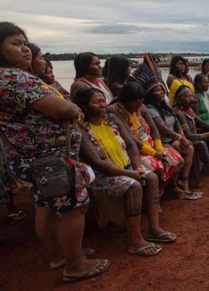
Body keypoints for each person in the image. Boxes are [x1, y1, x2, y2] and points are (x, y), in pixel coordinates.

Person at [0, 21, 109, 282]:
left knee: (45, 207)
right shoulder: (14, 78)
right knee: (74, 208)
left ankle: (60, 255)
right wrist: (73, 109)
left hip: (29, 160)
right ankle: (75, 265)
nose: (25, 50)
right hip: (50, 159)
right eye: (16, 44)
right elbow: (62, 109)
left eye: (26, 44)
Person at [76, 88, 175, 256]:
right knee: (134, 185)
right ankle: (136, 240)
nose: (102, 105)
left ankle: (154, 228)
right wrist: (132, 174)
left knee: (150, 177)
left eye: (102, 101)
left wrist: (136, 167)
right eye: (96, 102)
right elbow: (97, 163)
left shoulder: (112, 119)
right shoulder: (81, 129)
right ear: (84, 107)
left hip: (127, 167)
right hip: (103, 175)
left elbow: (130, 144)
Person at [131, 58, 201, 199]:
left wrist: (182, 136)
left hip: (173, 137)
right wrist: (179, 138)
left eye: (162, 90)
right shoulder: (150, 108)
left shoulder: (166, 104)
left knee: (190, 148)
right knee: (178, 159)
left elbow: (175, 123)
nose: (161, 92)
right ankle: (166, 189)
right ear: (150, 94)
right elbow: (162, 128)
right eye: (157, 91)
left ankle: (184, 180)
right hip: (162, 141)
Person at [109, 82, 184, 197]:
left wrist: (159, 149)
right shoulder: (115, 111)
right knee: (158, 168)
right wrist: (154, 153)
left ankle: (160, 191)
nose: (139, 105)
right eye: (137, 102)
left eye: (141, 101)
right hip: (137, 151)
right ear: (128, 101)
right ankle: (153, 197)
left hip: (152, 146)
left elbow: (154, 129)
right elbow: (130, 139)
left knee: (179, 161)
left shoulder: (142, 106)